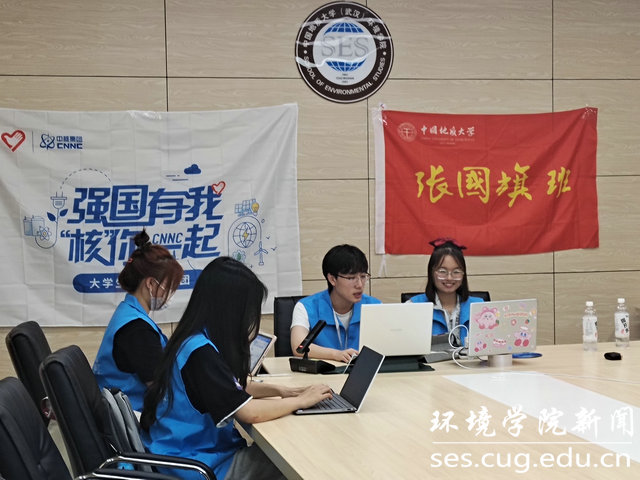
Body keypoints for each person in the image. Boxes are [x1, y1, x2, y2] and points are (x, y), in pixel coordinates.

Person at [140, 257, 331, 480]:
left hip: (183, 451)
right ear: (231, 310)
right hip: (197, 464)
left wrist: (282, 391)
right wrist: (301, 401)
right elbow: (249, 413)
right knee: (294, 456)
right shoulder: (200, 353)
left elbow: (233, 387)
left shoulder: (193, 339)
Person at [93, 230, 183, 411]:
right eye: (170, 286)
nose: (171, 294)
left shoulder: (128, 313)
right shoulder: (137, 329)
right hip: (133, 416)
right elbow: (162, 390)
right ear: (150, 284)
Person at [290, 244, 381, 362]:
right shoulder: (306, 307)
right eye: (351, 278)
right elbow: (298, 347)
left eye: (363, 276)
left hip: (362, 371)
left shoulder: (374, 306)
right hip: (323, 372)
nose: (359, 285)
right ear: (332, 279)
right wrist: (335, 354)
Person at [409, 238, 484, 346]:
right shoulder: (413, 306)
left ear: (463, 274)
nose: (449, 278)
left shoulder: (480, 307)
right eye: (442, 271)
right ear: (431, 273)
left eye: (456, 272)